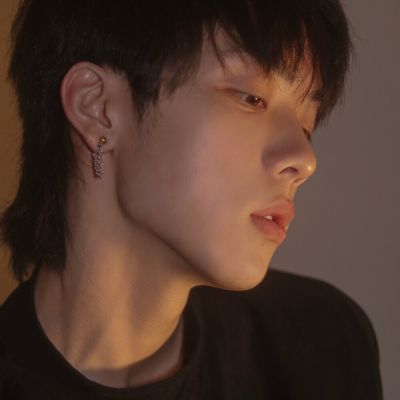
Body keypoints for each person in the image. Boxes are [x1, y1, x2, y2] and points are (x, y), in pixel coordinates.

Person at [0, 0, 383, 399]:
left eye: (306, 126)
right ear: (98, 107)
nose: (305, 160)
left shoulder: (321, 343)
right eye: (251, 98)